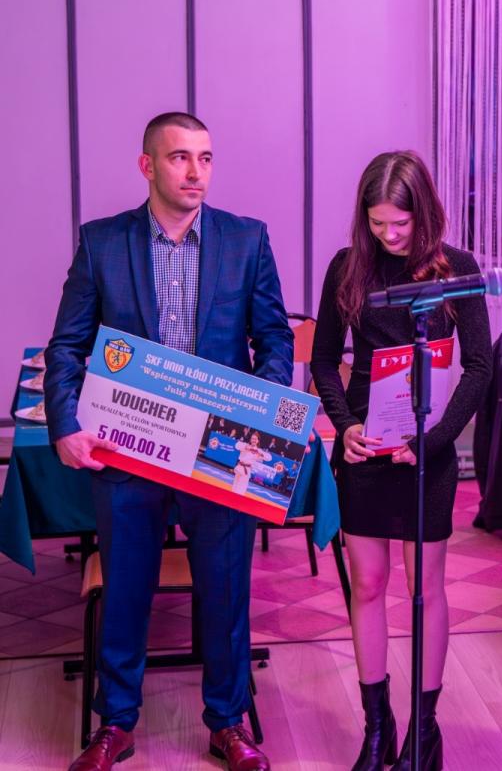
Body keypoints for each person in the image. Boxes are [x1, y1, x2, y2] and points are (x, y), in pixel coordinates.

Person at [45, 112, 290, 771]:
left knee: (226, 594)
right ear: (147, 166)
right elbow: (67, 347)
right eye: (180, 158)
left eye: (205, 158)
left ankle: (227, 724)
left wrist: (261, 413)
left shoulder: (246, 239)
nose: (195, 172)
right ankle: (115, 724)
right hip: (130, 453)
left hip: (219, 455)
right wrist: (64, 423)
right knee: (125, 591)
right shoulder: (102, 243)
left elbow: (274, 338)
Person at [310, 150, 491, 771]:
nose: (389, 235)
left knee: (425, 589)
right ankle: (377, 725)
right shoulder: (348, 268)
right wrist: (346, 427)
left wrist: (436, 440)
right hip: (366, 446)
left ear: (425, 214)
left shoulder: (456, 270)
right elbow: (324, 360)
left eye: (401, 224)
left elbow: (479, 367)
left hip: (427, 448)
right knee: (367, 584)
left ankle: (425, 730)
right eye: (378, 222)